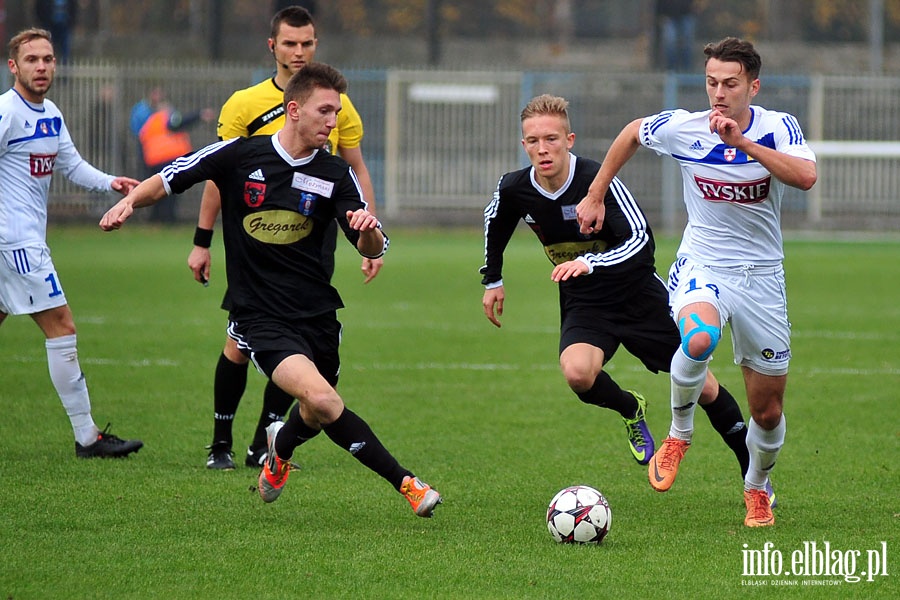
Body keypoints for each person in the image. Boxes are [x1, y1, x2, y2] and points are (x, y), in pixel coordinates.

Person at [99, 62, 442, 518]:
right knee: (323, 400)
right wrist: (128, 202)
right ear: (294, 110)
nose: (332, 121)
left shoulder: (335, 172)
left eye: (336, 112)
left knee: (318, 411)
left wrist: (369, 232)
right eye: (325, 111)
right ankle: (408, 485)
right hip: (259, 314)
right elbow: (171, 177)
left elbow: (370, 241)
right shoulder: (240, 155)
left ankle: (278, 445)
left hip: (318, 313)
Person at [576, 37, 816, 527]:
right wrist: (596, 192)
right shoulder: (685, 128)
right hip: (702, 264)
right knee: (699, 336)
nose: (719, 93)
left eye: (730, 83)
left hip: (762, 277)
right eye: (712, 83)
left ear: (753, 85)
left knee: (767, 413)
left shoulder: (776, 127)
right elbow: (631, 133)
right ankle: (679, 433)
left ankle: (756, 489)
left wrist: (742, 145)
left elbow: (806, 177)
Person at [482, 94, 760, 485]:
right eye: (533, 141)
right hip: (585, 303)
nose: (542, 149)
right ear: (523, 144)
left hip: (639, 297)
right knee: (578, 375)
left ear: (570, 139)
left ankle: (754, 476)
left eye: (552, 139)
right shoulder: (515, 188)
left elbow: (641, 241)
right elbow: (495, 219)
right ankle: (632, 409)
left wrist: (589, 262)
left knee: (707, 390)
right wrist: (492, 278)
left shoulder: (598, 180)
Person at [187, 5, 383, 471]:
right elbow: (218, 174)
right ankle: (220, 444)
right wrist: (202, 239)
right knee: (238, 344)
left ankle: (263, 443)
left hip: (312, 243)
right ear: (272, 46)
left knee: (298, 342)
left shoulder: (336, 101)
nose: (299, 51)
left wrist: (369, 231)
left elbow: (354, 168)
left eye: (307, 43)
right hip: (254, 243)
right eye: (291, 43)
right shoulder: (245, 103)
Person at [0, 28, 143, 458]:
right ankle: (88, 438)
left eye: (47, 59)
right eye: (31, 60)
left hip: (17, 243)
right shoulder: (7, 112)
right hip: (16, 244)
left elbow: (72, 165)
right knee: (62, 326)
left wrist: (111, 183)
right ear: (13, 66)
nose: (41, 67)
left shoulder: (50, 113)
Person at [138, 96, 215, 222]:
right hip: (166, 158)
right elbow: (178, 123)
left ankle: (155, 218)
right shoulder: (164, 117)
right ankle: (167, 219)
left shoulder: (150, 122)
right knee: (170, 190)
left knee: (157, 191)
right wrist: (199, 115)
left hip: (154, 160)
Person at [655, 0, 698, 72]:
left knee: (687, 43)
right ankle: (671, 71)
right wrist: (660, 15)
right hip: (668, 16)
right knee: (670, 42)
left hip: (687, 14)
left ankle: (687, 70)